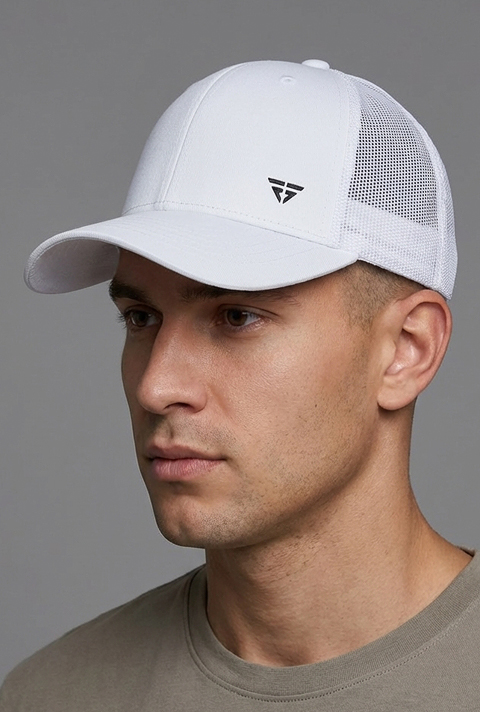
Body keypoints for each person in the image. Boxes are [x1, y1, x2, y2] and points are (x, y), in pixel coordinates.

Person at [1, 58, 478, 710]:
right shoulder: (52, 696)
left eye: (237, 317)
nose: (156, 386)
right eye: (140, 317)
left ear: (406, 350)